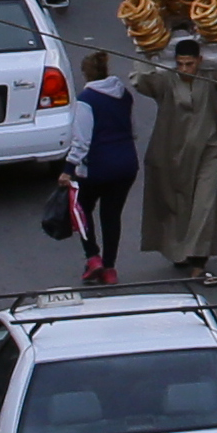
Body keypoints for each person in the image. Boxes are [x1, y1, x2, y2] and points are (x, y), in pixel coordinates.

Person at [132, 34, 217, 283]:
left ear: (200, 61)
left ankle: (198, 261)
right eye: (181, 64)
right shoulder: (166, 81)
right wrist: (144, 46)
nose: (185, 69)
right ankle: (180, 252)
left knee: (204, 204)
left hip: (208, 152)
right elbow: (141, 81)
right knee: (177, 207)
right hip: (171, 155)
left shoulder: (210, 78)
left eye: (190, 64)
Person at [62, 51, 139, 284]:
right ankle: (110, 268)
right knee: (111, 216)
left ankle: (93, 257)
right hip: (126, 164)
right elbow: (132, 129)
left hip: (98, 166)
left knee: (82, 209)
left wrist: (68, 168)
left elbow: (82, 141)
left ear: (85, 74)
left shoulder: (86, 100)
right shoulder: (124, 95)